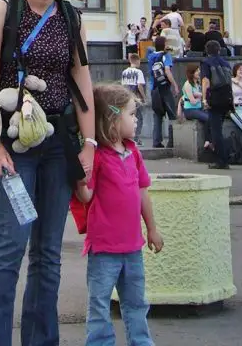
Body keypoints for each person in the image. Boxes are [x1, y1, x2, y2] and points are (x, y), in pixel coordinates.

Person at [0, 0, 95, 346]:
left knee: (47, 254)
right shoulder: (5, 11)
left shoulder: (70, 16)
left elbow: (82, 82)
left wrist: (90, 145)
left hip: (57, 146)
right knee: (10, 249)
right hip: (12, 145)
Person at [74, 83, 163, 346]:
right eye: (131, 114)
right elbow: (87, 197)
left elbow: (142, 193)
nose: (136, 120)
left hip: (132, 247)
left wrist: (152, 229)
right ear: (112, 118)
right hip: (103, 248)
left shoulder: (133, 152)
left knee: (137, 303)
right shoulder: (99, 157)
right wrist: (81, 180)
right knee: (99, 304)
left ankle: (141, 342)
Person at [200, 40, 233, 169]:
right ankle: (223, 157)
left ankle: (221, 160)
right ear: (219, 50)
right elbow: (230, 82)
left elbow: (205, 81)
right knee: (219, 129)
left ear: (207, 51)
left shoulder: (206, 62)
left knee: (216, 131)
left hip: (214, 97)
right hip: (226, 97)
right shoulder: (226, 63)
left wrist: (204, 99)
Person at [146, 35, 178, 149]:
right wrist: (175, 85)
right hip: (165, 89)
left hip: (154, 89)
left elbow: (149, 49)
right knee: (172, 115)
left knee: (157, 116)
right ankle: (172, 141)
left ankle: (156, 141)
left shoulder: (150, 56)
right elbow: (167, 71)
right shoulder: (166, 56)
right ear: (164, 45)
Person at [180, 63, 210, 149]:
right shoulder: (188, 84)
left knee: (211, 116)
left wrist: (199, 95)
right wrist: (200, 98)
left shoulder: (197, 83)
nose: (199, 72)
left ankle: (210, 141)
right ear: (192, 73)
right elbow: (192, 101)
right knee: (207, 118)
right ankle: (207, 140)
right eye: (197, 71)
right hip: (190, 110)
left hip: (199, 108)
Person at [121, 52, 146, 145]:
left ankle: (128, 137)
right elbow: (139, 85)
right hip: (136, 98)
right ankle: (136, 138)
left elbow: (123, 86)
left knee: (128, 117)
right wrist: (144, 97)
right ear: (137, 61)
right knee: (138, 118)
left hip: (127, 98)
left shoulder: (124, 72)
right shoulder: (139, 72)